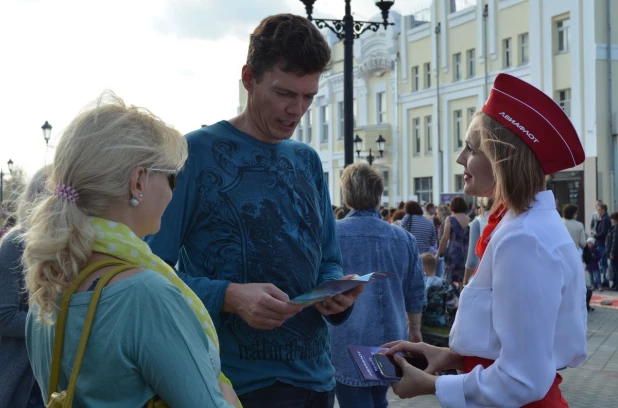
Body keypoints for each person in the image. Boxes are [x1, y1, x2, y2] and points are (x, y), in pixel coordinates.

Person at [145, 14, 361, 408]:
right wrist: (228, 296)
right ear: (249, 77)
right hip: (231, 385)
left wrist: (336, 293)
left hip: (317, 380)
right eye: (284, 93)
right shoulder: (192, 154)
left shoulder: (308, 160)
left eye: (308, 96)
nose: (297, 110)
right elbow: (149, 273)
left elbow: (328, 260)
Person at [383, 73, 587, 406]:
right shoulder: (525, 228)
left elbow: (523, 380)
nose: (461, 158)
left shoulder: (523, 240)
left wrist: (432, 386)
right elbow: (512, 345)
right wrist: (448, 356)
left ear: (502, 159)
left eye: (472, 148)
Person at [22, 93, 239, 407]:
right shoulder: (146, 295)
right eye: (172, 179)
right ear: (138, 181)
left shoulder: (48, 284)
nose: (171, 193)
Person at [328, 163, 425, 408]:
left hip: (347, 337)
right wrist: (415, 329)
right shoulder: (403, 238)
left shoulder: (332, 235)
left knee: (355, 399)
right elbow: (415, 290)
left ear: (346, 194)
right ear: (378, 194)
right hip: (392, 336)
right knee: (378, 399)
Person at [0, 166, 49, 408]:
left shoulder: (72, 244)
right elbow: (3, 316)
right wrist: (56, 325)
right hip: (22, 381)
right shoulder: (15, 244)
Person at [435, 196, 470, 293]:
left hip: (453, 252)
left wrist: (438, 254)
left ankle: (450, 302)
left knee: (448, 279)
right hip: (466, 253)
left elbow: (445, 238)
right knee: (463, 280)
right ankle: (460, 301)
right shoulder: (470, 219)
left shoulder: (450, 219)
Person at [420, 253, 457, 329]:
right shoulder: (444, 284)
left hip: (421, 321)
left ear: (424, 270)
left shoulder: (419, 283)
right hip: (439, 321)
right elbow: (451, 305)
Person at [462, 197, 493, 286]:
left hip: (483, 276)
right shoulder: (508, 218)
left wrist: (466, 280)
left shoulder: (478, 222)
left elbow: (472, 259)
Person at [592, 203, 611, 287]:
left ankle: (605, 281)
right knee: (601, 263)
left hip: (602, 243)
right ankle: (601, 280)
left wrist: (595, 235)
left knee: (603, 263)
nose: (598, 211)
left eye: (599, 209)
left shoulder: (605, 219)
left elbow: (604, 232)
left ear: (603, 210)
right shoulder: (601, 218)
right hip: (600, 243)